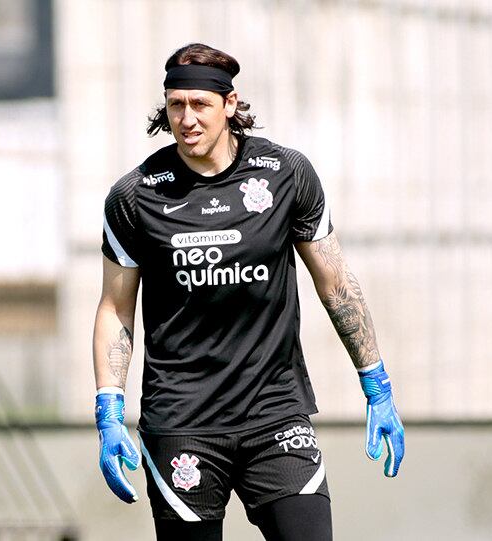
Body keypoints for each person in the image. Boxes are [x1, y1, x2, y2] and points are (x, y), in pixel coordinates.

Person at [92, 43, 405, 540]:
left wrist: (377, 384)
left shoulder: (286, 175)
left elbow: (336, 283)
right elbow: (115, 309)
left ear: (230, 104)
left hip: (274, 413)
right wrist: (109, 409)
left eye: (200, 105)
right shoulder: (135, 196)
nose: (187, 119)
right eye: (176, 105)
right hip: (182, 421)